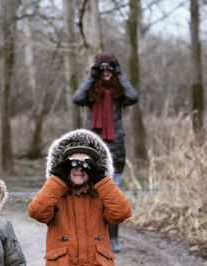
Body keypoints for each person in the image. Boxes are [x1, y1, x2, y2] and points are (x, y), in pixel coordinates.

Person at [28, 128, 131, 266]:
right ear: (63, 166)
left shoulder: (101, 193)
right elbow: (36, 212)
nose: (80, 168)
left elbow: (122, 213)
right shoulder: (54, 194)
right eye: (73, 163)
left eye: (87, 164)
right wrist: (57, 178)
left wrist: (101, 179)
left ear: (95, 168)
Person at [73, 51, 138, 253]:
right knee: (89, 199)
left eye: (110, 67)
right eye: (103, 68)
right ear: (96, 70)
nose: (106, 72)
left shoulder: (119, 94)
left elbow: (133, 96)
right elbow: (77, 97)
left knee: (113, 198)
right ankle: (90, 239)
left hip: (115, 152)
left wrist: (119, 73)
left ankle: (113, 239)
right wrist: (93, 76)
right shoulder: (91, 93)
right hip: (92, 151)